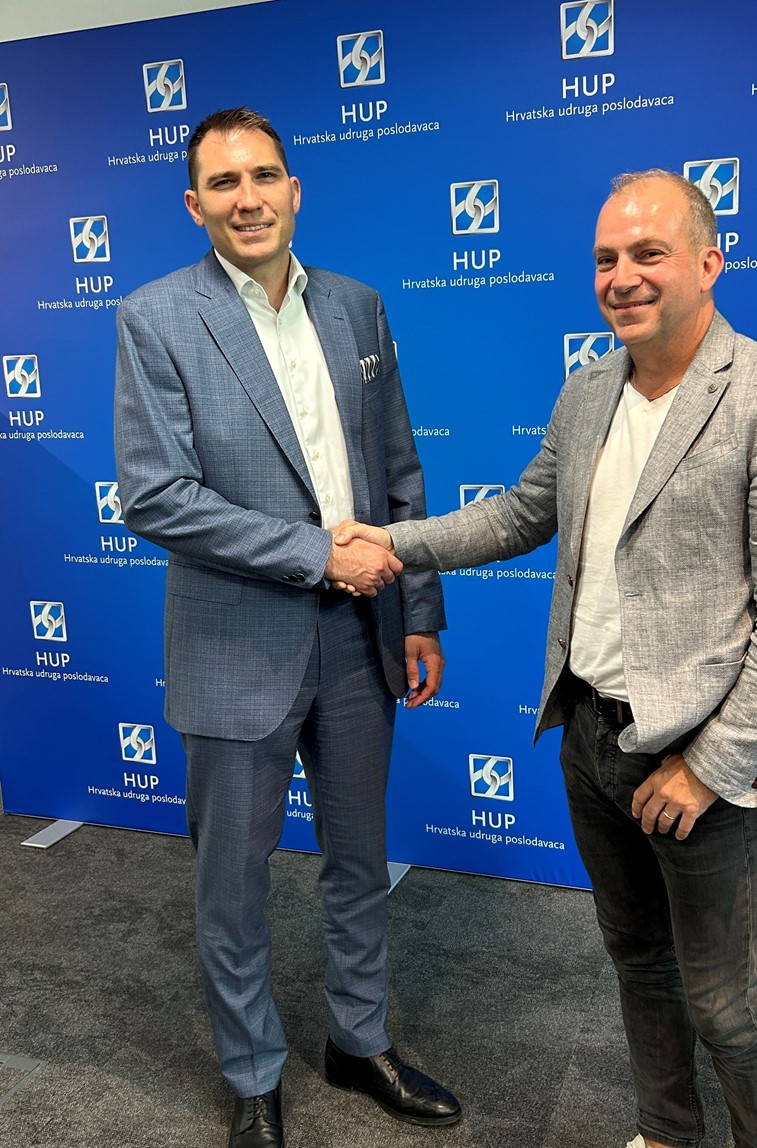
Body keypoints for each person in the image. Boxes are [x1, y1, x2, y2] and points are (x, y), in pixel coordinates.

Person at [334, 170, 757, 1148]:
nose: (622, 276)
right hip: (591, 740)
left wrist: (709, 766)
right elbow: (517, 515)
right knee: (639, 962)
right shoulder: (588, 390)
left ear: (709, 261)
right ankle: (667, 1131)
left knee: (725, 1001)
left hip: (702, 762)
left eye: (648, 253)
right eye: (606, 258)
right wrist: (392, 543)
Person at [113, 107, 461, 1148]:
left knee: (360, 861)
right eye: (224, 183)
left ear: (295, 189)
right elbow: (156, 496)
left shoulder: (356, 307)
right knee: (233, 883)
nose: (249, 198)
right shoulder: (155, 316)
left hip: (361, 638)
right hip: (233, 647)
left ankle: (360, 1040)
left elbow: (399, 471)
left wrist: (418, 609)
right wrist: (318, 552)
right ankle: (253, 1072)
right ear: (195, 204)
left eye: (264, 176)